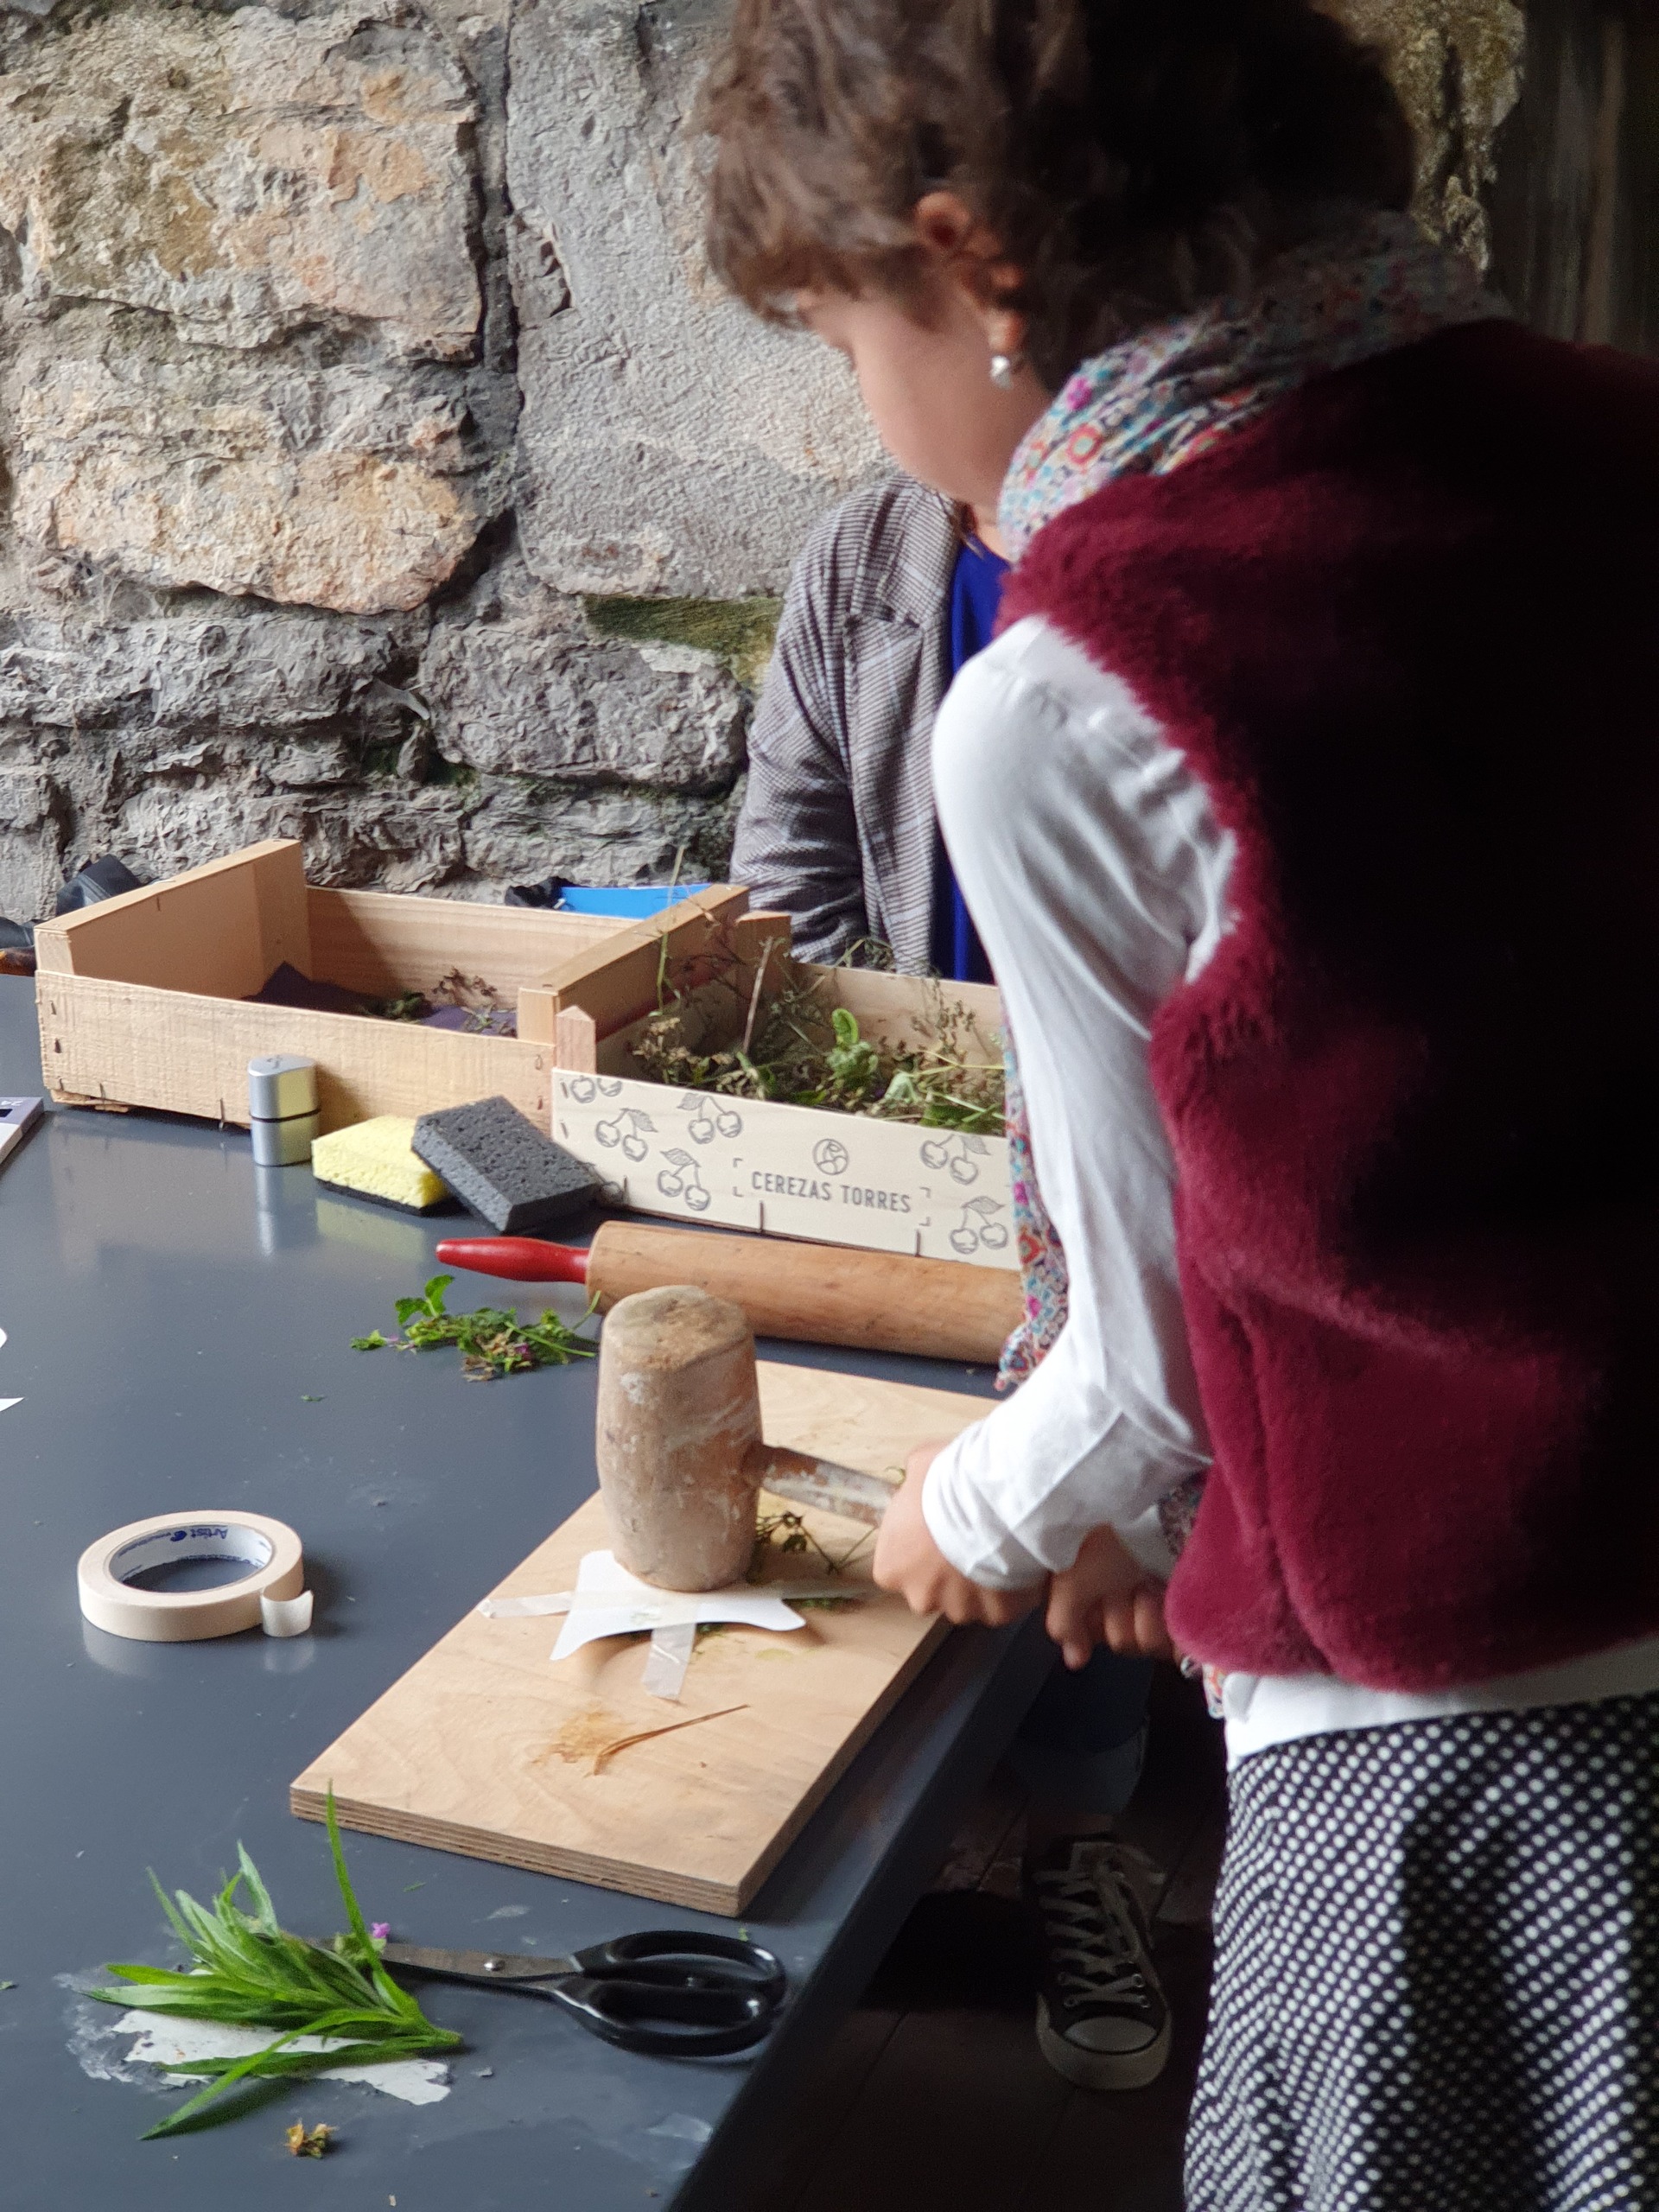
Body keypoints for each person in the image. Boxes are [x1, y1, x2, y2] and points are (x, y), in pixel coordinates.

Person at [701, 1, 1659, 2204]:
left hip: (1473, 1744)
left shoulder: (1075, 692)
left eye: (854, 339)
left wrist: (972, 1509)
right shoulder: (1622, 442)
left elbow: (1135, 1386)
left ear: (975, 266)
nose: (877, 414)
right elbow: (1411, 1118)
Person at [734, 485, 1172, 2094]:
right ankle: (836, 1826)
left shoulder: (1168, 564)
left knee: (1084, 1394)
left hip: (1112, 1132)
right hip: (918, 1111)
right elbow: (786, 856)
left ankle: (1081, 1834)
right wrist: (912, 1059)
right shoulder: (864, 561)